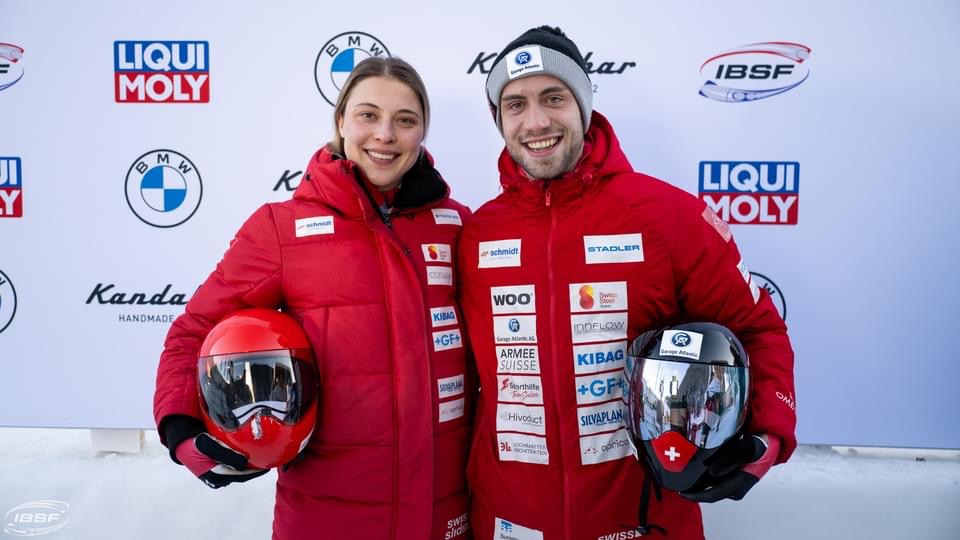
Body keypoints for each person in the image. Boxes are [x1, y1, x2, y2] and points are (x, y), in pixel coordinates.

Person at [457, 26, 797, 539]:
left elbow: (757, 329)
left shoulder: (669, 216)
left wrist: (766, 434)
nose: (537, 121)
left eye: (554, 98)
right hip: (509, 517)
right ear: (498, 119)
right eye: (515, 104)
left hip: (643, 518)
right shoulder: (476, 233)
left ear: (585, 105)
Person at [154, 57, 473, 540]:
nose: (385, 134)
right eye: (368, 115)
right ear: (341, 121)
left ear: (421, 132)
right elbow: (194, 332)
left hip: (445, 514)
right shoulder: (280, 229)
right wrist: (180, 429)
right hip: (327, 517)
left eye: (405, 120)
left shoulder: (458, 226)